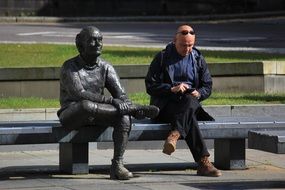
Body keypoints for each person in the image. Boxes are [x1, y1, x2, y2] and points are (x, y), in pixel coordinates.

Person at [57, 26, 159, 180]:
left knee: (124, 118)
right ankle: (133, 109)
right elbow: (79, 94)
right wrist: (111, 101)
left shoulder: (106, 67)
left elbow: (121, 95)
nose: (97, 44)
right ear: (80, 45)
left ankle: (117, 165)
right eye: (92, 40)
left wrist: (122, 103)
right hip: (72, 115)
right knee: (86, 105)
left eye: (100, 40)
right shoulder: (69, 67)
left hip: (99, 114)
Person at [145, 24, 222, 177]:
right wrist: (170, 89)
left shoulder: (198, 58)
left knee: (190, 99)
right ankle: (203, 163)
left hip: (189, 104)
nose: (187, 49)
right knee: (189, 116)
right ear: (174, 40)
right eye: (183, 45)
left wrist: (198, 93)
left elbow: (207, 86)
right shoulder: (162, 57)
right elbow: (150, 85)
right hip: (166, 106)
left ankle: (175, 134)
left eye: (190, 45)